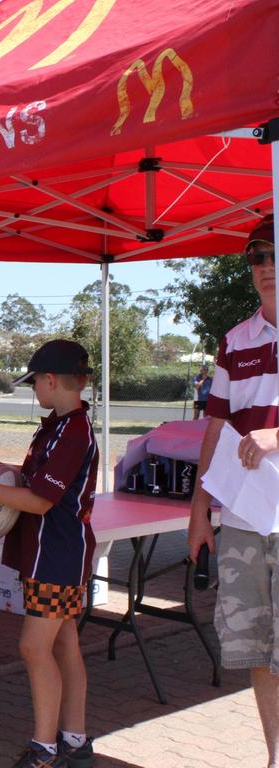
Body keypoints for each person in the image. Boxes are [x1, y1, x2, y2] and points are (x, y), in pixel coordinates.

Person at [0, 339, 98, 768]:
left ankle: (44, 749)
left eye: (35, 380)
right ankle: (75, 741)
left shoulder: (73, 430)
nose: (33, 389)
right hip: (54, 554)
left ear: (52, 380)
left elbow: (40, 501)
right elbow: (34, 478)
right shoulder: (58, 426)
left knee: (34, 649)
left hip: (55, 555)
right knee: (65, 647)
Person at [188, 213, 278, 768]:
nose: (265, 267)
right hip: (244, 520)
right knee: (258, 648)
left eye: (274, 254)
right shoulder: (235, 341)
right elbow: (216, 429)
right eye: (256, 257)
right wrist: (200, 509)